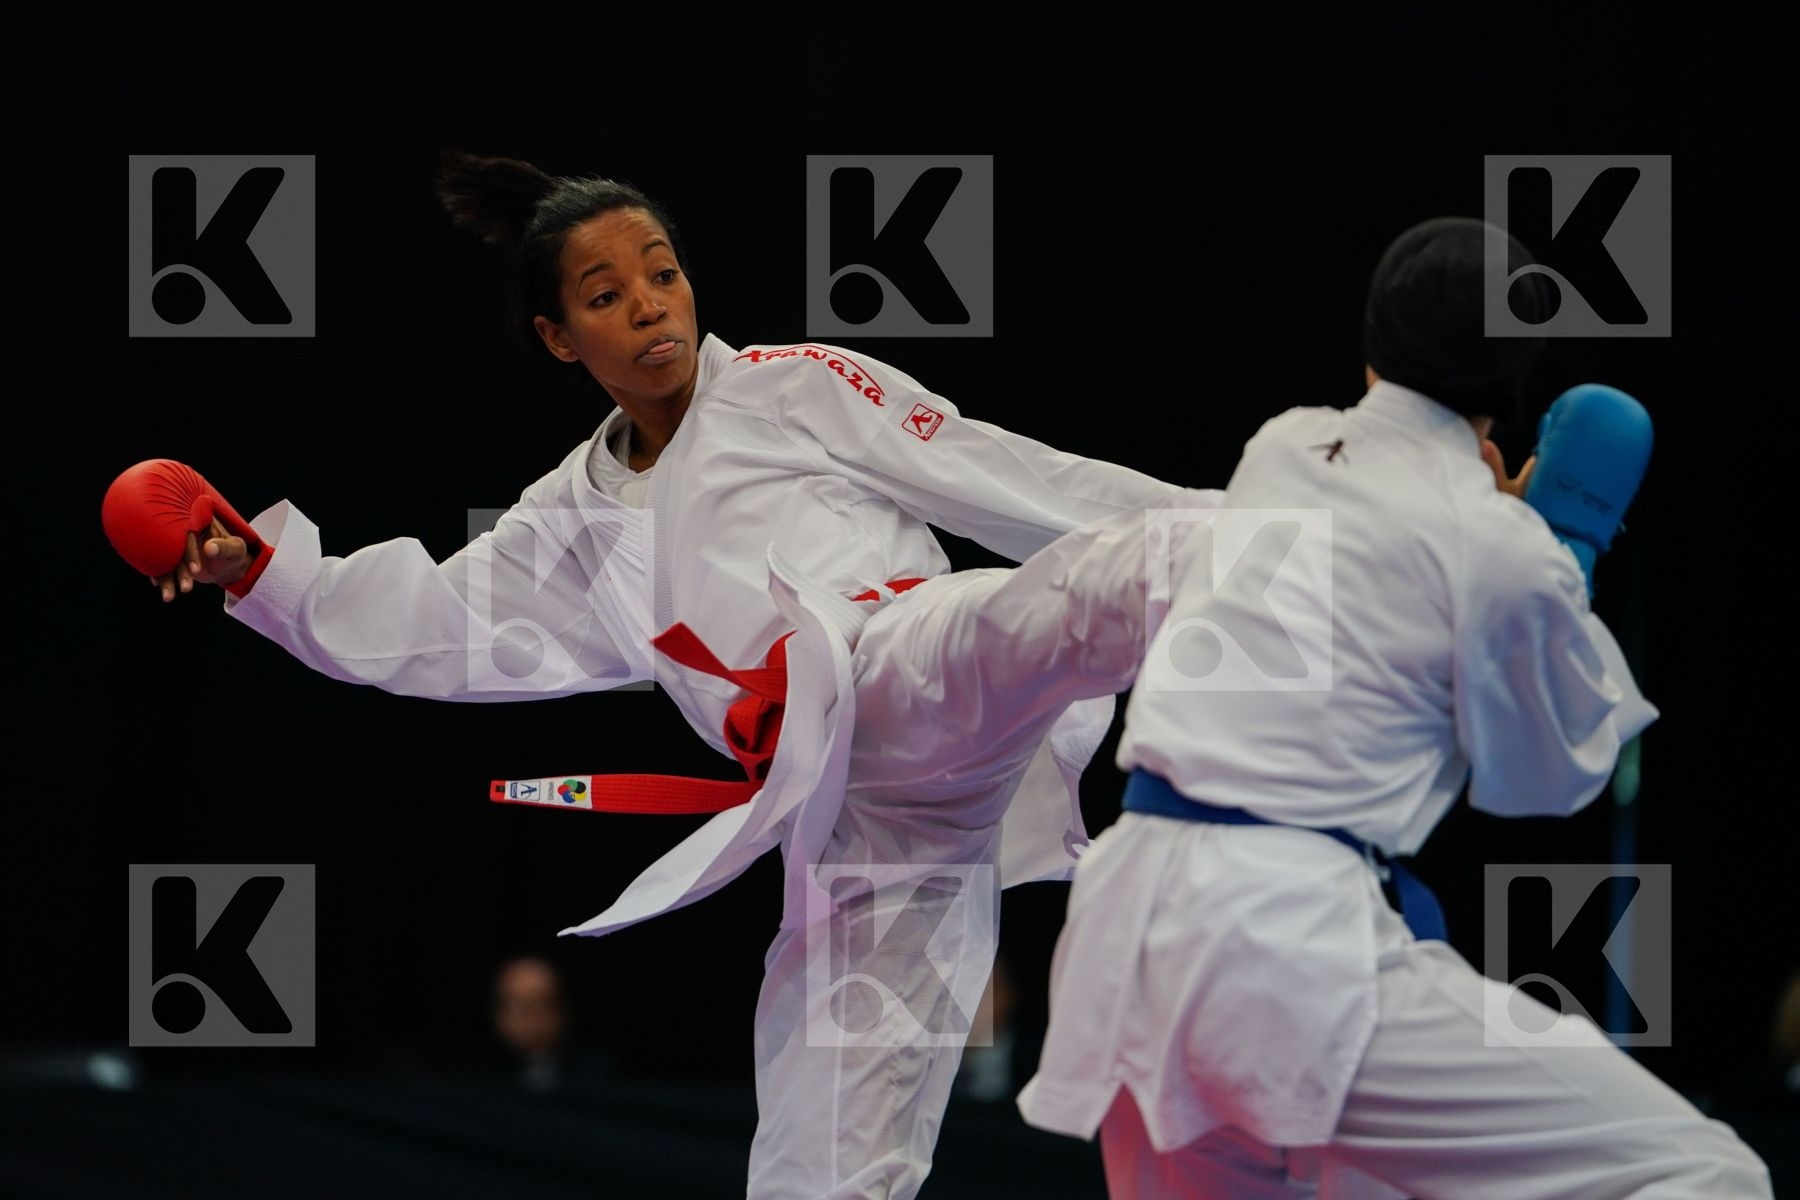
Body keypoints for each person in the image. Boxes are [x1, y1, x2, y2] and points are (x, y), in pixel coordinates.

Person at [143, 148, 1204, 1199]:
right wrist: (264, 573)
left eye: (663, 273)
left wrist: (1223, 540)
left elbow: (1004, 478)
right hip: (853, 825)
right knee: (821, 1162)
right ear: (559, 338)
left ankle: (1296, 555)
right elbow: (420, 625)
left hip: (902, 662)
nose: (652, 307)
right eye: (608, 295)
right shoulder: (569, 518)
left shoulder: (794, 387)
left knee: (1065, 598)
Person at [1012, 217, 1775, 1197]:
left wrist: (1518, 542)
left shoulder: (1279, 446)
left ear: (1372, 347)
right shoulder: (1499, 549)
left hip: (1128, 926)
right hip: (1281, 944)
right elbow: (1547, 784)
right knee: (1704, 1172)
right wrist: (1565, 549)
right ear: (1512, 383)